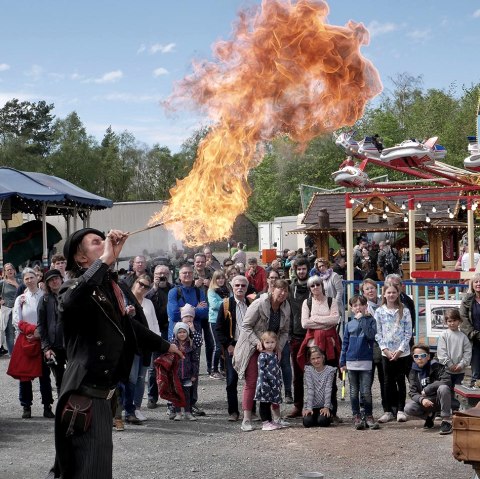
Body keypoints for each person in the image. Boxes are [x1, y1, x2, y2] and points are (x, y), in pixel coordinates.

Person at [49, 228, 182, 479]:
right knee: (87, 470)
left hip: (103, 396)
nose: (105, 244)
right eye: (96, 243)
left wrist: (165, 345)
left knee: (86, 469)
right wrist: (105, 260)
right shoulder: (73, 287)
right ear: (81, 259)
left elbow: (127, 325)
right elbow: (68, 302)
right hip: (83, 394)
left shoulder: (111, 287)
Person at [233, 279, 290, 432]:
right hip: (253, 346)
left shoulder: (286, 307)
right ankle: (246, 420)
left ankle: (276, 417)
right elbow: (246, 325)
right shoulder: (259, 303)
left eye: (285, 290)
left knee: (274, 381)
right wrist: (257, 342)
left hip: (271, 347)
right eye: (280, 289)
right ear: (272, 289)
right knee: (252, 382)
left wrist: (279, 346)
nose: (283, 293)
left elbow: (284, 331)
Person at [10, 267, 54, 419]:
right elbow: (16, 320)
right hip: (27, 339)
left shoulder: (45, 295)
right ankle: (26, 406)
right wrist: (32, 331)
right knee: (25, 375)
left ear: (37, 278)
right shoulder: (20, 299)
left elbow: (50, 317)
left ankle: (47, 406)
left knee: (44, 375)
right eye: (26, 278)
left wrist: (40, 333)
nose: (29, 280)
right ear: (24, 281)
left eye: (32, 277)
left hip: (44, 340)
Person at [167, 262, 208, 416]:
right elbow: (173, 314)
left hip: (193, 338)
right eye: (184, 273)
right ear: (179, 275)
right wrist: (195, 308)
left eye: (190, 273)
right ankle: (173, 404)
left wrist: (185, 309)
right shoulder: (173, 292)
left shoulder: (198, 291)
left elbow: (205, 313)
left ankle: (191, 403)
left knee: (193, 371)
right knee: (175, 372)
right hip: (176, 339)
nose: (187, 275)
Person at [298, 275, 341, 422]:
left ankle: (331, 411)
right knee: (313, 380)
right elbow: (304, 324)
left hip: (330, 345)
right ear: (309, 288)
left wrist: (315, 318)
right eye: (312, 286)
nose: (315, 287)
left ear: (322, 285)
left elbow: (335, 319)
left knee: (331, 381)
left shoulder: (331, 301)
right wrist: (325, 323)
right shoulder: (307, 303)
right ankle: (313, 409)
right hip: (313, 347)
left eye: (317, 284)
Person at [216, 275, 253, 421]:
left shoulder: (251, 303)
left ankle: (250, 410)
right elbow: (218, 329)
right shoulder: (225, 305)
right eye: (237, 285)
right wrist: (228, 345)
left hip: (249, 346)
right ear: (232, 286)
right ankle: (233, 411)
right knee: (232, 380)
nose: (240, 288)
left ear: (247, 287)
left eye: (243, 286)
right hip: (233, 346)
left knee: (251, 380)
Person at [374, 281, 412, 423]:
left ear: (398, 294)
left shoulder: (405, 310)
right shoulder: (379, 311)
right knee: (387, 382)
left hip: (402, 353)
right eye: (388, 292)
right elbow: (378, 333)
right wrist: (385, 349)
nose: (391, 295)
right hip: (387, 353)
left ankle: (401, 410)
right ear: (384, 294)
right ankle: (388, 410)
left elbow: (408, 333)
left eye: (394, 292)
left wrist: (400, 349)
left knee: (400, 381)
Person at [339, 295, 377, 430]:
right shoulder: (349, 324)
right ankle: (356, 415)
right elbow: (345, 344)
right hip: (351, 362)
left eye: (361, 304)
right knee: (354, 391)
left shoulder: (371, 321)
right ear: (351, 308)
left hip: (366, 361)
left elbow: (371, 336)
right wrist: (342, 361)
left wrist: (362, 321)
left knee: (366, 391)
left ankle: (369, 415)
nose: (358, 307)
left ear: (366, 306)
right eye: (355, 305)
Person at [404, 344, 453, 435]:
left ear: (428, 356)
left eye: (423, 356)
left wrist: (427, 389)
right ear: (413, 358)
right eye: (416, 356)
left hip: (440, 399)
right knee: (408, 408)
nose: (419, 358)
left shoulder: (436, 366)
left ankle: (446, 421)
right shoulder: (413, 372)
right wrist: (421, 400)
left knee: (444, 387)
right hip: (426, 401)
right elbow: (412, 392)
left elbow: (446, 381)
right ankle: (429, 417)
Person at [145, 264, 173, 409]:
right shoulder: (149, 291)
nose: (162, 276)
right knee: (153, 366)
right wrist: (155, 287)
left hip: (170, 331)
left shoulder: (174, 289)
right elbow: (144, 302)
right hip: (155, 331)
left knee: (171, 365)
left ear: (169, 274)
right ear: (154, 275)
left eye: (164, 273)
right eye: (158, 274)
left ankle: (171, 398)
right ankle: (152, 397)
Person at [286, 258, 310, 418]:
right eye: (299, 269)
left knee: (316, 373)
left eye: (304, 269)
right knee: (298, 375)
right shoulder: (290, 289)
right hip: (295, 336)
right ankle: (298, 405)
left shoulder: (314, 287)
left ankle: (317, 405)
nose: (301, 271)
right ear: (295, 270)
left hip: (311, 336)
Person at [360, 278, 388, 416]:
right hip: (370, 347)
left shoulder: (384, 303)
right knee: (367, 379)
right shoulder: (364, 307)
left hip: (384, 346)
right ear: (363, 292)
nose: (370, 291)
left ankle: (387, 408)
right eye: (367, 289)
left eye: (372, 288)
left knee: (385, 379)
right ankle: (365, 407)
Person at [265, 269, 292, 404]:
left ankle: (288, 392)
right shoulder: (262, 299)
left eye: (276, 277)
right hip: (264, 340)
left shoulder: (286, 304)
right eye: (271, 278)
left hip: (280, 337)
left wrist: (279, 346)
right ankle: (268, 393)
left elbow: (286, 328)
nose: (273, 280)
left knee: (285, 364)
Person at [37, 269, 66, 396]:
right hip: (54, 347)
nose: (54, 281)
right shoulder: (44, 300)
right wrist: (46, 348)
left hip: (72, 345)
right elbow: (41, 326)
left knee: (76, 379)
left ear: (61, 279)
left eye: (56, 278)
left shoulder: (70, 296)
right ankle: (63, 411)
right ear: (47, 284)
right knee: (60, 380)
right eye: (51, 280)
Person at [171, 312, 202, 421]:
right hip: (176, 375)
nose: (182, 334)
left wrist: (194, 374)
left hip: (188, 375)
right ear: (176, 334)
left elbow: (195, 361)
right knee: (177, 394)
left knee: (187, 394)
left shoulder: (191, 346)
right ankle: (178, 412)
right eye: (179, 332)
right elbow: (170, 361)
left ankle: (188, 412)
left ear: (187, 333)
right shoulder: (173, 346)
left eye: (184, 332)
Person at [254, 331, 284, 431]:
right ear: (262, 343)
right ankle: (265, 422)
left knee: (270, 402)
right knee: (264, 403)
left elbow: (277, 369)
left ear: (276, 343)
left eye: (272, 342)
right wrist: (263, 384)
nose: (270, 345)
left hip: (274, 383)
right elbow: (261, 371)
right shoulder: (262, 356)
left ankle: (270, 421)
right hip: (265, 384)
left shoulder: (275, 355)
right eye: (267, 342)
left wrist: (279, 381)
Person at [437, 308, 472, 388]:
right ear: (446, 322)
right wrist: (449, 364)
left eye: (454, 320)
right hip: (446, 370)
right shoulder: (443, 335)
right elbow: (442, 352)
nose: (452, 323)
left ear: (459, 321)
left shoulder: (463, 337)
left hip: (460, 371)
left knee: (458, 391)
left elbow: (467, 352)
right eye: (450, 321)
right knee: (446, 389)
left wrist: (461, 364)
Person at [302, 346, 336, 428]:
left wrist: (326, 407)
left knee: (323, 422)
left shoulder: (329, 370)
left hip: (324, 405)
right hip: (312, 405)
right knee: (307, 422)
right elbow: (310, 389)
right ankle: (315, 417)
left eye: (318, 358)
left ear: (323, 357)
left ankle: (327, 416)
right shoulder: (309, 370)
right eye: (313, 359)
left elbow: (328, 389)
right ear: (310, 360)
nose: (316, 360)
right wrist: (308, 407)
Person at [207, 270, 230, 379]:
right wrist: (226, 302)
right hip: (215, 320)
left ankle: (223, 368)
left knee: (224, 344)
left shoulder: (227, 290)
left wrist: (226, 301)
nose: (220, 280)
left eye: (222, 278)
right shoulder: (211, 291)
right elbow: (214, 305)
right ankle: (213, 370)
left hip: (225, 320)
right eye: (218, 278)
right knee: (218, 345)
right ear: (214, 280)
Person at [460, 273, 480, 387]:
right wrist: (474, 334)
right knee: (476, 369)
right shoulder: (467, 300)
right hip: (474, 338)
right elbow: (463, 318)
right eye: (476, 282)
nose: (479, 284)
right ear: (472, 284)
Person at [0, 262, 20, 355]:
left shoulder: (20, 281)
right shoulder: (2, 283)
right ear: (4, 272)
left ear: (14, 270)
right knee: (10, 334)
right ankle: (12, 354)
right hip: (8, 310)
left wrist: (16, 286)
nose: (9, 271)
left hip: (20, 309)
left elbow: (25, 292)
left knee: (21, 332)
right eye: (7, 270)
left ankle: (22, 353)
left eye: (11, 269)